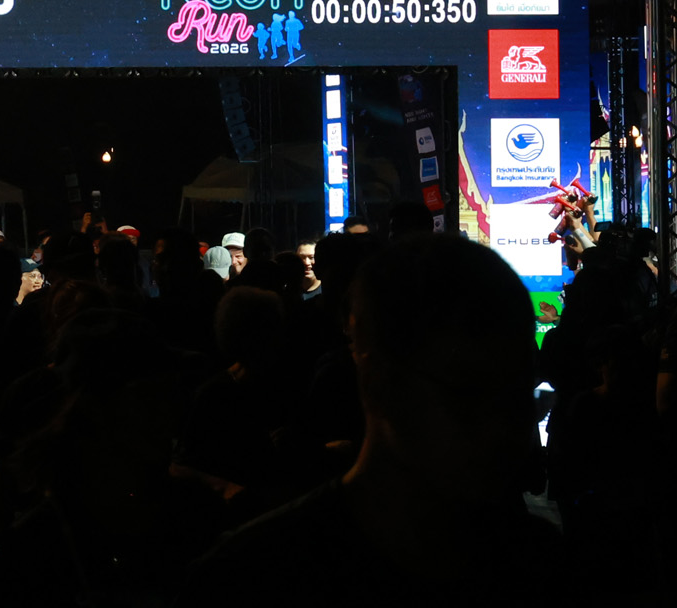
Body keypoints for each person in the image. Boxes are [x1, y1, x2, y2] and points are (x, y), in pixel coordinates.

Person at [182, 234, 561, 606]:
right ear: (381, 378)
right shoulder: (541, 565)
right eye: (470, 391)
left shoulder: (258, 568)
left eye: (520, 388)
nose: (506, 423)